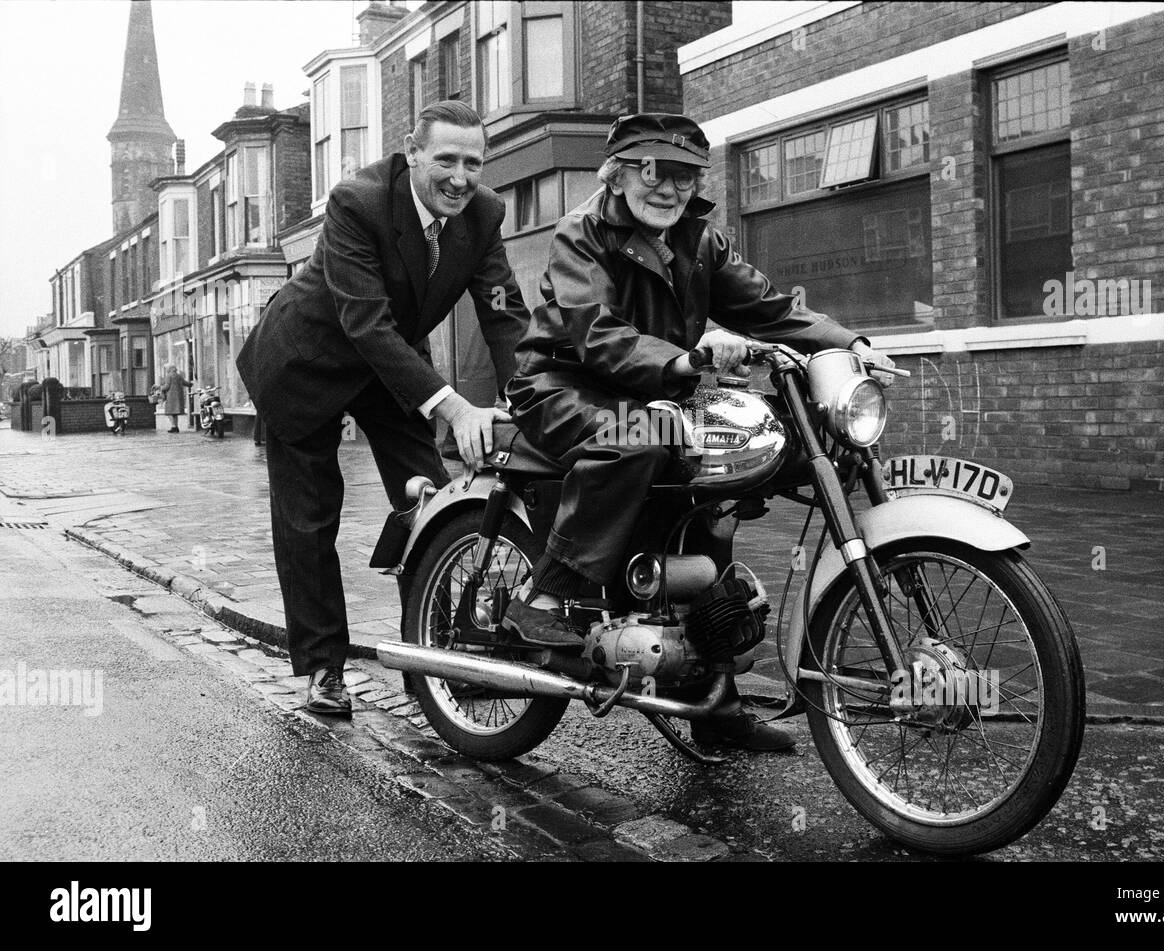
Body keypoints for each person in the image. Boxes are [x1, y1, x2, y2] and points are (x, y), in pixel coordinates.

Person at [505, 113, 896, 751]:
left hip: (659, 388)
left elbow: (769, 307)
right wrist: (686, 361)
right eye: (653, 171)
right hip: (563, 388)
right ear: (618, 174)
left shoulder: (700, 240)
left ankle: (713, 705)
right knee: (643, 434)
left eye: (684, 176)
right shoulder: (583, 232)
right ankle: (547, 597)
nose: (669, 188)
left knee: (723, 478)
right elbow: (597, 335)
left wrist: (849, 343)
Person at [236, 101, 530, 715]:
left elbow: (503, 311)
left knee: (429, 501)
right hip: (307, 363)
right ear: (412, 152)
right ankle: (323, 668)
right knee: (310, 520)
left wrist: (530, 399)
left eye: (473, 163)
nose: (460, 178)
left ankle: (436, 657)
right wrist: (456, 409)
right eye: (445, 160)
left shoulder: (484, 214)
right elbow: (365, 323)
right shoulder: (357, 202)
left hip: (392, 367)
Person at [160, 364, 191, 433]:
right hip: (178, 396)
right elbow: (185, 383)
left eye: (166, 368)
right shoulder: (178, 375)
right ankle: (176, 427)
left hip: (171, 397)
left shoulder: (169, 376)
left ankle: (174, 426)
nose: (166, 370)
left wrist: (161, 388)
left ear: (169, 369)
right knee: (174, 413)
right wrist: (191, 384)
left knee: (169, 412)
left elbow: (167, 386)